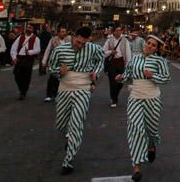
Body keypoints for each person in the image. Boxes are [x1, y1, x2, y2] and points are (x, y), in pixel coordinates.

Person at [47, 26, 105, 176]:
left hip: (83, 89)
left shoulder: (93, 48)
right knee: (61, 123)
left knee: (77, 123)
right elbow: (50, 67)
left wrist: (95, 74)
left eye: (84, 43)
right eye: (78, 42)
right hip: (65, 88)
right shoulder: (60, 50)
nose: (81, 46)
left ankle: (68, 161)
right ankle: (69, 135)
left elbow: (101, 62)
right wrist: (59, 71)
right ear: (74, 36)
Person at [116, 32, 171, 181]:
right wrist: (121, 77)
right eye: (148, 43)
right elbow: (127, 74)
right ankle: (137, 166)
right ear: (145, 43)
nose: (149, 46)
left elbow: (166, 79)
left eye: (153, 45)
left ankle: (152, 145)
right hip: (135, 97)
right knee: (135, 129)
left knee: (151, 129)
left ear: (156, 48)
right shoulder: (134, 59)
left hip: (152, 98)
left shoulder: (160, 61)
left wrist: (152, 76)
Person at [103, 24, 131, 107]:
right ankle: (114, 100)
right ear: (114, 31)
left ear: (122, 31)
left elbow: (128, 53)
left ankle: (115, 95)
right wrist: (110, 52)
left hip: (121, 63)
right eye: (116, 30)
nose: (118, 32)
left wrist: (128, 64)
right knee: (113, 82)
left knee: (121, 82)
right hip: (112, 63)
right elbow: (103, 52)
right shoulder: (109, 40)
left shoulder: (125, 41)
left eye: (120, 30)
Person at [10, 24, 41, 99]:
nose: (28, 29)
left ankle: (23, 92)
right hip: (20, 58)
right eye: (27, 27)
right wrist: (14, 57)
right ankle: (21, 89)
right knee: (16, 74)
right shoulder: (20, 37)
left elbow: (38, 50)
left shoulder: (36, 38)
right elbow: (13, 48)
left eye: (30, 28)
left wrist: (30, 52)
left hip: (28, 59)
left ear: (33, 29)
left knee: (26, 76)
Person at [42, 26, 70, 102]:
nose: (64, 33)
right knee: (52, 78)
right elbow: (48, 50)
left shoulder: (68, 40)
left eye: (65, 31)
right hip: (55, 62)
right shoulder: (53, 40)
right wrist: (44, 61)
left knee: (61, 79)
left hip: (64, 62)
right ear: (58, 33)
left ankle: (58, 94)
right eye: (62, 31)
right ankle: (49, 95)